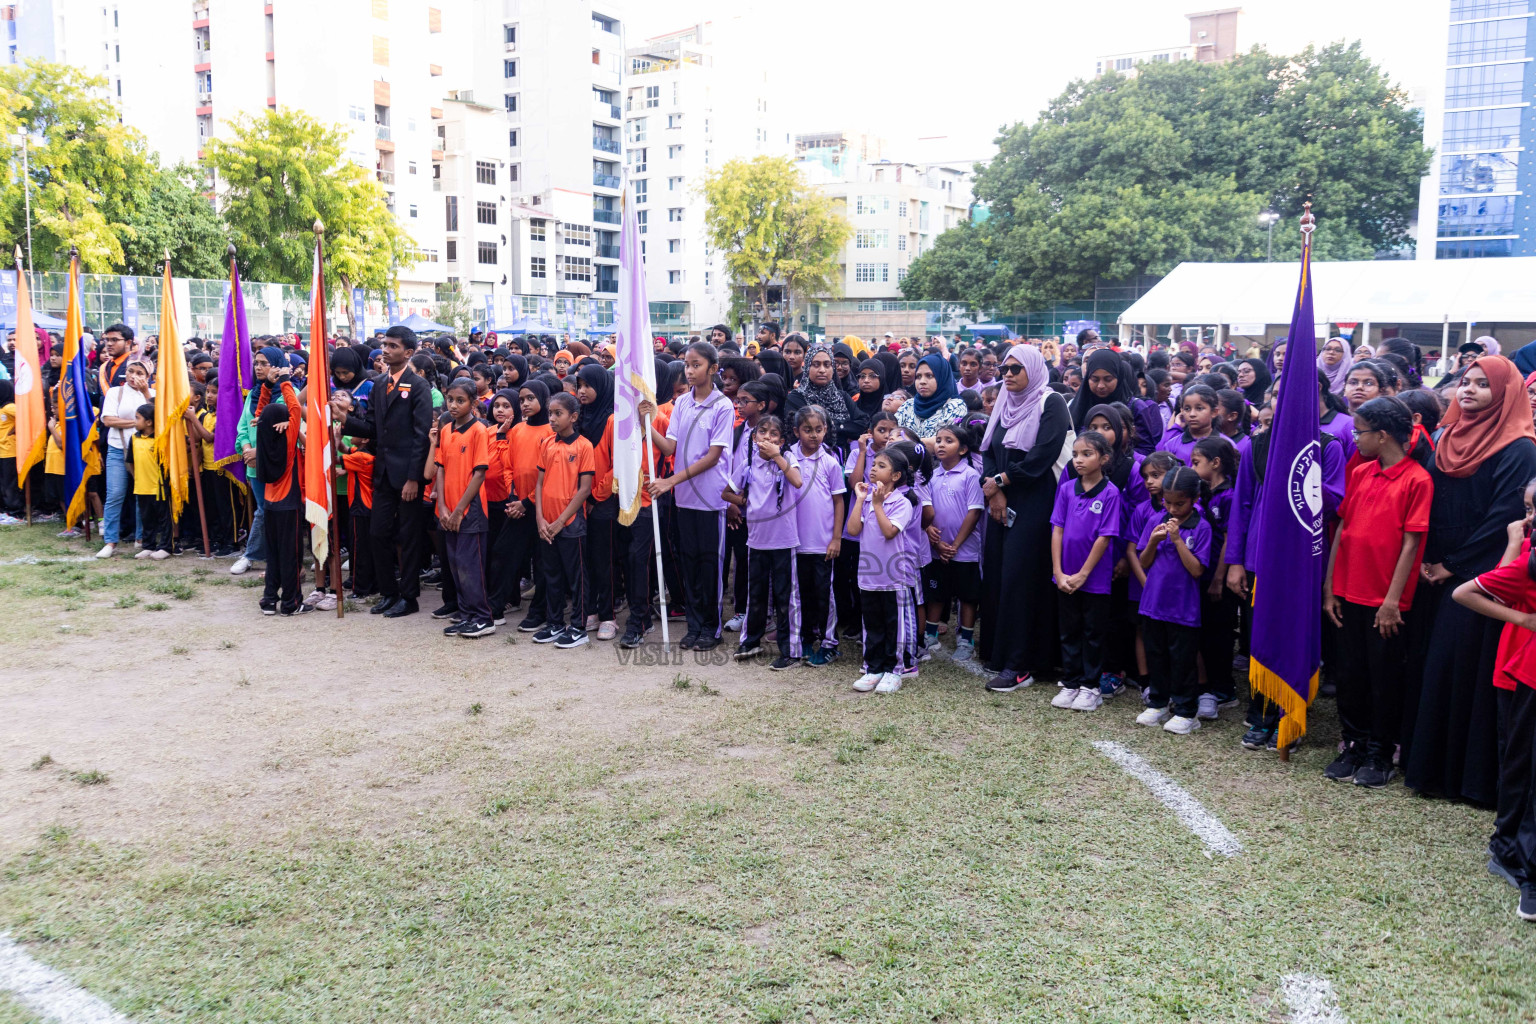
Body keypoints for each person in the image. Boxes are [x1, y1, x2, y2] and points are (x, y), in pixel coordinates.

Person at [1404, 355, 1536, 806]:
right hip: (1432, 566)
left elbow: (1506, 516)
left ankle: (1468, 780)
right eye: (1465, 381)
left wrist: (1453, 565)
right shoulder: (1446, 437)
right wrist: (1428, 560)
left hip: (1479, 575)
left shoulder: (1519, 447)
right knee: (1430, 665)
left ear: (1505, 393)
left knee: (1463, 670)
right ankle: (1427, 766)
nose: (1468, 390)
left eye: (1482, 385)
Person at [1321, 395, 1433, 788]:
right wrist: (1331, 587)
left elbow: (1411, 544)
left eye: (1360, 431)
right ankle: (1354, 743)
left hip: (1384, 601)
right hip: (1348, 593)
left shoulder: (1417, 479)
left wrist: (1391, 601)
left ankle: (1380, 752)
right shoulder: (1361, 473)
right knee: (1350, 674)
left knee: (1383, 677)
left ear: (1383, 435)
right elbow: (1344, 532)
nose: (1355, 438)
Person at [1451, 481, 1536, 921]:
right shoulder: (1528, 556)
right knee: (1516, 757)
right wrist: (1515, 542)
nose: (1526, 517)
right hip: (1519, 659)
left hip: (1522, 658)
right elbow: (1493, 588)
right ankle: (1506, 845)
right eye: (1525, 507)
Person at [980, 344, 1072, 692]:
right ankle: (1000, 653)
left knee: (1021, 578)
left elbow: (1041, 456)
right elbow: (988, 450)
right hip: (1001, 499)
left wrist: (1001, 482)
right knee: (1000, 573)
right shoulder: (1004, 400)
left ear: (1033, 369)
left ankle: (1022, 663)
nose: (1008, 375)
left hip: (1035, 499)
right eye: (1005, 368)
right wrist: (994, 489)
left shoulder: (1052, 402)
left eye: (1016, 369)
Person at [333, 325, 434, 619]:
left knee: (409, 536)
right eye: (385, 345)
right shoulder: (378, 384)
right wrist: (347, 419)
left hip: (407, 476)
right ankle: (389, 592)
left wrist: (414, 477)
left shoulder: (418, 387)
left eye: (392, 346)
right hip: (383, 473)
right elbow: (373, 429)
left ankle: (409, 596)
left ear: (408, 352)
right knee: (377, 533)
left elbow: (420, 436)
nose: (386, 350)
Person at [642, 341, 733, 651]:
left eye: (697, 365)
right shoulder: (682, 404)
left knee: (710, 565)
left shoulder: (722, 406)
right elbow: (670, 448)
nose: (690, 371)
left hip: (710, 498)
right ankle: (694, 626)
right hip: (684, 498)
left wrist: (670, 481)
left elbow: (712, 457)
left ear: (713, 368)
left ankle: (712, 627)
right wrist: (646, 424)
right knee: (690, 563)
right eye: (687, 365)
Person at [1048, 431, 1123, 712]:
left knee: (1092, 632)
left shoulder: (1111, 493)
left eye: (1087, 454)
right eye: (1076, 454)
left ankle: (1090, 687)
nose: (1078, 459)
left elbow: (1104, 537)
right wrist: (1059, 571)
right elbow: (1057, 529)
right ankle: (1071, 682)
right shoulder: (1067, 488)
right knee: (1069, 630)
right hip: (1064, 577)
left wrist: (1083, 574)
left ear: (1104, 458)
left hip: (1094, 580)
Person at [1133, 466, 1212, 735]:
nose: (1173, 509)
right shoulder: (1156, 520)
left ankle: (1187, 710)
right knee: (1157, 655)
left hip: (1183, 608)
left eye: (1180, 503)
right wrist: (1154, 541)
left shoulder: (1201, 528)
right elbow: (1143, 562)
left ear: (1194, 500)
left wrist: (1178, 540)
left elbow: (1197, 570)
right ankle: (1158, 702)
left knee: (1182, 660)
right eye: (1168, 502)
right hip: (1153, 604)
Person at [727, 414, 803, 669]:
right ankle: (751, 640)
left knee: (785, 597)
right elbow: (727, 491)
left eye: (773, 435)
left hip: (783, 540)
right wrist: (744, 501)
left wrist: (778, 456)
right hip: (756, 540)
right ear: (754, 437)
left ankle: (790, 650)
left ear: (781, 441)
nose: (767, 439)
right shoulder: (748, 464)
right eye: (763, 433)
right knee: (756, 594)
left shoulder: (788, 459)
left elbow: (797, 481)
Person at [846, 445, 919, 694]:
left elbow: (889, 532)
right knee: (872, 623)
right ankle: (873, 668)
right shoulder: (867, 499)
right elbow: (854, 530)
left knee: (893, 625)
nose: (873, 469)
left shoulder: (902, 503)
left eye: (881, 466)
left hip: (893, 576)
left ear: (896, 476)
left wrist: (876, 505)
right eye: (873, 465)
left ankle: (894, 670)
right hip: (868, 575)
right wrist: (860, 500)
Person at [531, 392, 595, 649]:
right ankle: (555, 622)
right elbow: (539, 483)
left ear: (574, 417)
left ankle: (579, 626)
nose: (553, 418)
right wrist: (540, 519)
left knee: (576, 576)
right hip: (546, 524)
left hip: (570, 525)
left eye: (558, 414)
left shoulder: (583, 446)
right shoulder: (547, 443)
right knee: (551, 575)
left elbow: (584, 489)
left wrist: (560, 521)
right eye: (551, 413)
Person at [432, 379, 494, 638]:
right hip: (449, 509)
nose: (454, 405)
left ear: (474, 403)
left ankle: (483, 617)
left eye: (461, 400)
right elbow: (441, 468)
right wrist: (443, 506)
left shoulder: (479, 430)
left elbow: (479, 473)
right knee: (456, 565)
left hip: (471, 510)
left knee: (471, 565)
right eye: (450, 400)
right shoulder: (446, 431)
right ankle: (466, 614)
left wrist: (458, 510)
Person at [788, 405, 846, 666]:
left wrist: (836, 538)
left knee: (825, 594)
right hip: (794, 541)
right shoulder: (788, 459)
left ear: (826, 431)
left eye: (819, 430)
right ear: (796, 431)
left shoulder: (831, 463)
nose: (813, 435)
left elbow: (838, 502)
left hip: (822, 543)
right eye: (807, 430)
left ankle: (829, 642)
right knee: (800, 594)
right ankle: (803, 638)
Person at [923, 422, 984, 662]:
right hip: (938, 551)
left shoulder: (970, 475)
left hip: (964, 551)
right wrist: (934, 539)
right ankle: (930, 636)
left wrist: (955, 545)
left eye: (949, 441)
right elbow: (925, 511)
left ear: (963, 449)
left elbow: (974, 512)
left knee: (967, 596)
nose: (941, 445)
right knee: (937, 594)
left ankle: (966, 640)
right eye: (938, 440)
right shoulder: (932, 476)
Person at [574, 364, 619, 640]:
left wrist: (594, 495)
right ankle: (590, 608)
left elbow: (618, 465)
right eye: (579, 386)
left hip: (603, 500)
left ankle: (609, 615)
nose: (582, 391)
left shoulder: (612, 420)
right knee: (587, 559)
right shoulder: (579, 419)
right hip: (580, 500)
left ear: (601, 387)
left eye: (587, 385)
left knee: (605, 559)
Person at [254, 373, 303, 614]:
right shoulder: (288, 439)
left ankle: (269, 600)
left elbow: (259, 414)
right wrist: (284, 380)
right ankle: (291, 603)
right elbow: (295, 407)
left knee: (272, 555)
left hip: (270, 504)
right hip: (288, 504)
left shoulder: (261, 434)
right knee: (291, 555)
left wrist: (267, 386)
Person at [95, 359, 153, 558]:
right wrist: (139, 424)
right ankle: (110, 541)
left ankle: (141, 537)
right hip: (118, 449)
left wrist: (146, 394)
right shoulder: (115, 392)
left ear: (148, 376)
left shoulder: (152, 394)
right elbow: (108, 420)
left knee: (142, 495)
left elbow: (159, 418)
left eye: (139, 373)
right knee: (115, 494)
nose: (134, 376)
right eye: (130, 371)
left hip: (144, 452)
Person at [122, 401, 171, 561]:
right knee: (146, 518)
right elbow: (130, 461)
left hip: (158, 486)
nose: (135, 421)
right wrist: (136, 477)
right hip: (141, 486)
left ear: (149, 422)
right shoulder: (134, 438)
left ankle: (165, 546)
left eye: (138, 418)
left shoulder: (159, 439)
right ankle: (148, 546)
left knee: (163, 518)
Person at [896, 353, 967, 442]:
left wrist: (905, 442)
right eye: (918, 376)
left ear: (942, 377)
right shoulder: (908, 405)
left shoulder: (955, 406)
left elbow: (947, 442)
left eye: (929, 376)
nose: (922, 382)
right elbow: (893, 435)